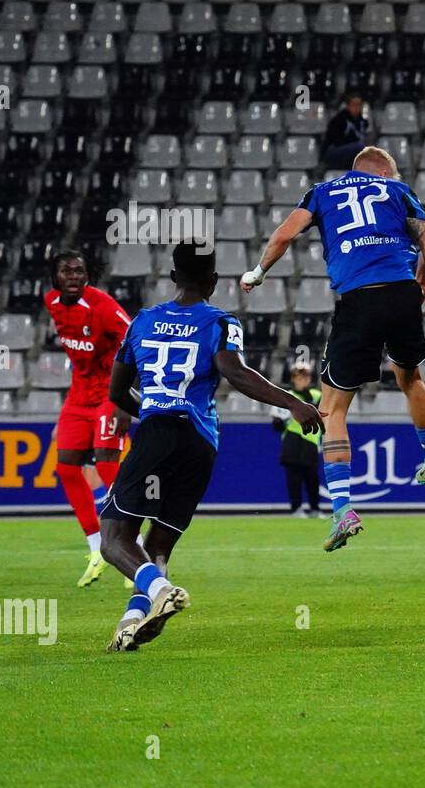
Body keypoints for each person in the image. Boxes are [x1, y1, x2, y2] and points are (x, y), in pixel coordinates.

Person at [100, 243, 324, 652]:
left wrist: (150, 411)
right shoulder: (221, 322)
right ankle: (132, 621)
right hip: (200, 444)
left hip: (157, 435)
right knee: (157, 545)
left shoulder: (143, 322)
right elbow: (234, 372)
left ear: (172, 278)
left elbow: (116, 390)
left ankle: (162, 590)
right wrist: (294, 401)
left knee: (114, 540)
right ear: (213, 281)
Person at [241, 145, 425, 553]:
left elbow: (285, 234)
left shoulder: (322, 192)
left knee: (334, 407)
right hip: (403, 294)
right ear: (384, 172)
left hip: (359, 300)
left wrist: (258, 272)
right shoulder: (397, 190)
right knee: (410, 378)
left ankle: (342, 508)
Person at [44, 250, 133, 588]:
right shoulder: (51, 302)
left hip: (111, 391)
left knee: (107, 461)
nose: (74, 276)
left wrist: (126, 400)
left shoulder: (104, 306)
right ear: (55, 276)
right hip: (78, 395)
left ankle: (131, 543)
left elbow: (135, 339)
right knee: (66, 466)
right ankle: (97, 547)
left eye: (79, 271)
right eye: (66, 271)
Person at [271, 363, 323, 518]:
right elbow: (276, 425)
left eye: (305, 377)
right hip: (292, 440)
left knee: (312, 477)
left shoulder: (316, 395)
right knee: (294, 477)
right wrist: (279, 421)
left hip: (310, 440)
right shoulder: (285, 396)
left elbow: (318, 413)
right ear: (293, 378)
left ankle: (315, 508)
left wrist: (304, 396)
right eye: (298, 377)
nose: (302, 380)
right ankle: (296, 508)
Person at [321, 95, 370, 169]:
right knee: (360, 147)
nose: (357, 107)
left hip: (351, 151)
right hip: (333, 152)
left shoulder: (362, 122)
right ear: (348, 106)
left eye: (359, 104)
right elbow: (335, 141)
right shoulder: (339, 120)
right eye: (354, 104)